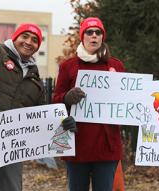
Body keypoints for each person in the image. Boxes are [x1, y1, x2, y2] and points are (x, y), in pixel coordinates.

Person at [0, 16, 77, 191]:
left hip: (11, 142)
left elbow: (42, 120)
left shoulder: (35, 80)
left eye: (35, 39)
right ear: (15, 37)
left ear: (38, 46)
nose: (29, 42)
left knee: (12, 188)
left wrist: (64, 124)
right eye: (25, 36)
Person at [52, 17, 125, 191]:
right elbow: (55, 101)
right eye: (89, 32)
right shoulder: (68, 66)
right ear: (82, 36)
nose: (94, 36)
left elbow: (126, 100)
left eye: (98, 32)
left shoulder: (116, 65)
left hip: (107, 146)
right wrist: (66, 98)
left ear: (102, 37)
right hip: (77, 142)